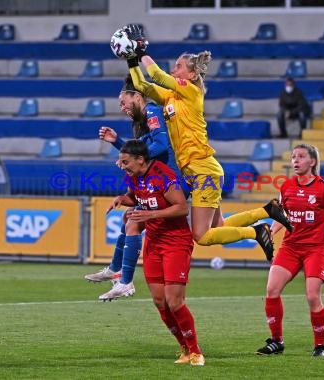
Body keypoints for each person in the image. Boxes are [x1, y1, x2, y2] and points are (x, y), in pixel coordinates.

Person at [125, 24, 294, 261]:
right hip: (199, 170)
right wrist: (132, 60)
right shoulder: (173, 97)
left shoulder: (191, 91)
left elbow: (156, 75)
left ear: (192, 75)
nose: (174, 69)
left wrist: (141, 52)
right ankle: (267, 211)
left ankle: (256, 231)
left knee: (202, 236)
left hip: (202, 170)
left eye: (179, 66)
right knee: (219, 225)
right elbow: (142, 85)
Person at [85, 75, 183, 301]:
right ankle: (117, 271)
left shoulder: (151, 112)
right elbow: (141, 153)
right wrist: (119, 143)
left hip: (167, 181)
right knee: (129, 218)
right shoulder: (142, 121)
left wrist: (128, 155)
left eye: (123, 101)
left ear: (137, 96)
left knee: (134, 220)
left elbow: (160, 145)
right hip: (158, 181)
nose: (122, 107)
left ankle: (124, 280)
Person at [108, 139, 205, 366]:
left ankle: (196, 351)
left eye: (125, 161)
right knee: (160, 301)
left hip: (176, 242)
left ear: (141, 159)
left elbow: (182, 207)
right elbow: (138, 197)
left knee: (175, 301)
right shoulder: (132, 176)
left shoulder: (163, 174)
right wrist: (124, 199)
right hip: (153, 241)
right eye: (121, 162)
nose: (122, 166)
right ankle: (184, 348)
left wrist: (149, 216)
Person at [256, 143, 324, 358]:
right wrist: (272, 232)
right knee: (271, 290)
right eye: (293, 156)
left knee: (313, 297)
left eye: (301, 157)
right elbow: (283, 217)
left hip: (316, 249)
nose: (295, 160)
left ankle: (320, 345)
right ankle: (277, 341)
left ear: (312, 162)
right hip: (291, 247)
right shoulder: (286, 186)